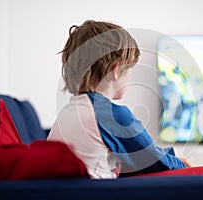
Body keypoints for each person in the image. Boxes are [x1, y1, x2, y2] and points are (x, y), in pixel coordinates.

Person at [47, 20, 192, 179]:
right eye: (130, 69)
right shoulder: (108, 114)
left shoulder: (69, 110)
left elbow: (140, 153)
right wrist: (182, 165)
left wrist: (169, 157)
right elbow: (155, 160)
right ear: (115, 69)